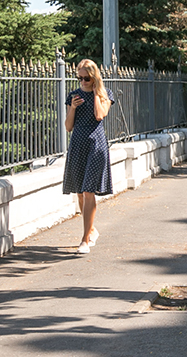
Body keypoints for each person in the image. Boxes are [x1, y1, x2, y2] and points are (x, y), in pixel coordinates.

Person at [62, 59, 114, 254]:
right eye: (80, 78)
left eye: (86, 78)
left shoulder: (104, 94)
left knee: (89, 191)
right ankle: (91, 229)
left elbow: (100, 115)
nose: (82, 81)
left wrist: (95, 93)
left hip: (96, 145)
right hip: (77, 145)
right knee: (80, 192)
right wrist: (73, 107)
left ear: (94, 77)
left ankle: (84, 240)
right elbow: (68, 127)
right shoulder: (73, 95)